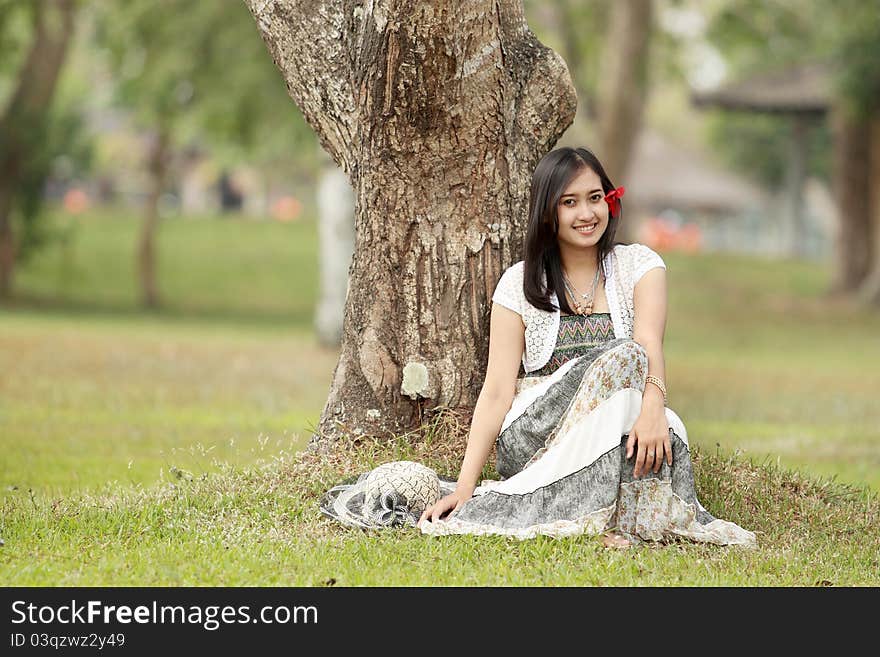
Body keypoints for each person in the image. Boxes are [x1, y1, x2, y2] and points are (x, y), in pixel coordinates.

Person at [417, 147, 755, 547]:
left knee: (669, 428)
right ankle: (587, 513)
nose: (587, 213)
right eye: (570, 202)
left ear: (609, 200)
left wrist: (653, 410)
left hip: (615, 424)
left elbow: (651, 343)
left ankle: (611, 523)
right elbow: (496, 391)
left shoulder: (640, 267)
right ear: (548, 213)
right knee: (628, 356)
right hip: (539, 435)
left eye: (595, 198)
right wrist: (464, 486)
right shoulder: (518, 284)